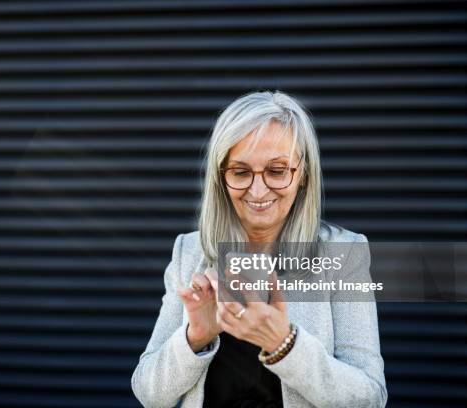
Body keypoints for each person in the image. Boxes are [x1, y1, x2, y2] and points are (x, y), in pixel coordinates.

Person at [131, 91, 387, 407]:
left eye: (277, 171)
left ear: (303, 173)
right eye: (240, 172)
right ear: (221, 177)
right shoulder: (190, 252)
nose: (258, 189)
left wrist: (285, 346)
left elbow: (371, 398)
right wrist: (194, 338)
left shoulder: (344, 253)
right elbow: (148, 393)